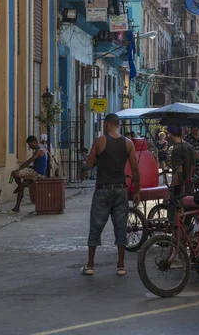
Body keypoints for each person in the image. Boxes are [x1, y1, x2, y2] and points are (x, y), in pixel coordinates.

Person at [81, 113, 140, 277]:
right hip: (121, 189)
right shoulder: (128, 143)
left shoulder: (100, 141)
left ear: (107, 124)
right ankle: (121, 266)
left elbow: (89, 164)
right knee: (121, 227)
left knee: (96, 225)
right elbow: (135, 168)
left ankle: (90, 265)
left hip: (103, 189)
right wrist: (137, 191)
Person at [166, 127, 196, 225]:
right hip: (190, 187)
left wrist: (170, 191)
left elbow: (178, 172)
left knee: (174, 219)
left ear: (170, 134)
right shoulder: (189, 147)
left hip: (180, 190)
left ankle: (175, 237)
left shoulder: (177, 149)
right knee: (187, 220)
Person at [10, 136, 47, 213]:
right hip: (35, 172)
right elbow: (37, 165)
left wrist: (18, 169)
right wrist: (30, 166)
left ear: (33, 142)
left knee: (14, 173)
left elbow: (28, 161)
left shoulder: (39, 151)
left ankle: (17, 184)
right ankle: (17, 207)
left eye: (30, 144)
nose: (29, 146)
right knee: (22, 187)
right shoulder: (39, 151)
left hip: (36, 174)